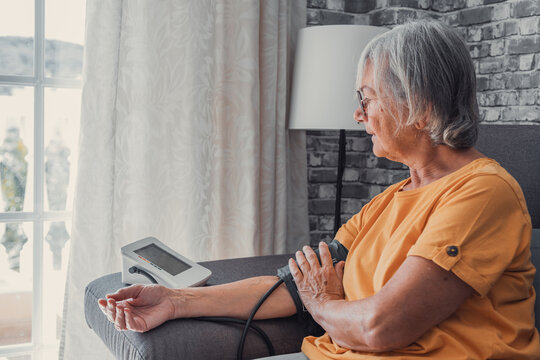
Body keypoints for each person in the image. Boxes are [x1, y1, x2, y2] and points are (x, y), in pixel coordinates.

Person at [98, 20, 540, 359]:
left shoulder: (482, 193)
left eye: (367, 99)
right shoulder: (389, 201)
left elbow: (379, 327)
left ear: (420, 105)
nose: (358, 114)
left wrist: (323, 303)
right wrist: (175, 300)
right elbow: (293, 288)